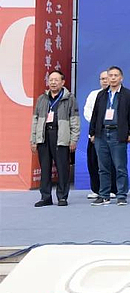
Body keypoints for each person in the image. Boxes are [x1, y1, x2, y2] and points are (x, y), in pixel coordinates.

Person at [88, 66, 130, 206]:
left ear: (121, 78)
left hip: (118, 133)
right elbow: (95, 115)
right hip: (101, 134)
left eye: (116, 75)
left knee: (120, 167)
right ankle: (104, 195)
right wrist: (92, 132)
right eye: (110, 75)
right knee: (102, 167)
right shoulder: (101, 95)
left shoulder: (128, 95)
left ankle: (121, 195)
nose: (113, 78)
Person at [30, 70, 80, 207]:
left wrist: (73, 139)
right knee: (45, 168)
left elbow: (74, 120)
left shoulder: (69, 98)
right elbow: (35, 120)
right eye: (51, 80)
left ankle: (62, 197)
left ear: (63, 82)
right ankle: (45, 197)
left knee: (62, 168)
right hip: (44, 135)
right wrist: (33, 140)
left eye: (56, 80)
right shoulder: (42, 99)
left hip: (61, 135)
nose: (53, 82)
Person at [84, 70, 116, 200]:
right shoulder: (94, 94)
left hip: (111, 133)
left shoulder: (116, 95)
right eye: (102, 79)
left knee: (111, 162)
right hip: (95, 133)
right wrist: (96, 125)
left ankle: (112, 189)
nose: (104, 81)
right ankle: (96, 189)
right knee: (93, 162)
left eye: (106, 78)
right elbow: (87, 111)